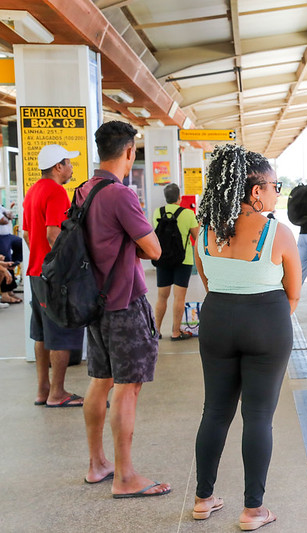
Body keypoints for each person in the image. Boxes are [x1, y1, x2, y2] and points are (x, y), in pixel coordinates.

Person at [192, 144, 300, 529]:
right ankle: (253, 510)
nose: (277, 192)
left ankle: (203, 499)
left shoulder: (202, 230)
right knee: (258, 416)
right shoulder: (279, 233)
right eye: (275, 185)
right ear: (256, 192)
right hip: (267, 320)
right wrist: (268, 325)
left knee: (215, 412)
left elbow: (208, 282)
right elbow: (293, 291)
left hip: (218, 320)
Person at [77, 121, 171, 498]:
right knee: (127, 389)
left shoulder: (83, 190)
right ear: (130, 152)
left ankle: (98, 464)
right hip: (123, 304)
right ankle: (126, 476)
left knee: (100, 382)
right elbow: (154, 250)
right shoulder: (120, 195)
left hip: (95, 305)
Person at [22, 144, 85, 407]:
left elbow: (26, 234)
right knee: (60, 332)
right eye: (69, 163)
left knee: (41, 334)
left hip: (36, 274)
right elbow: (53, 233)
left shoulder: (32, 191)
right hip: (54, 278)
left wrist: (41, 260)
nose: (71, 167)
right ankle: (57, 393)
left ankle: (43, 390)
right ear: (58, 166)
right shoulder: (57, 192)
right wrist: (63, 267)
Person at [152, 183, 199, 340]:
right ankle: (175, 332)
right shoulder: (188, 214)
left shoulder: (157, 212)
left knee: (161, 296)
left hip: (163, 259)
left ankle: (156, 330)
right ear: (179, 197)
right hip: (183, 260)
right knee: (179, 297)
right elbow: (197, 237)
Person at [0, 202, 23, 304]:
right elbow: (3, 221)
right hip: (1, 237)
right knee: (5, 259)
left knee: (21, 244)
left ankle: (13, 264)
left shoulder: (1, 207)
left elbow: (11, 215)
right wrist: (6, 215)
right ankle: (6, 293)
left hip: (8, 236)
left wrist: (8, 214)